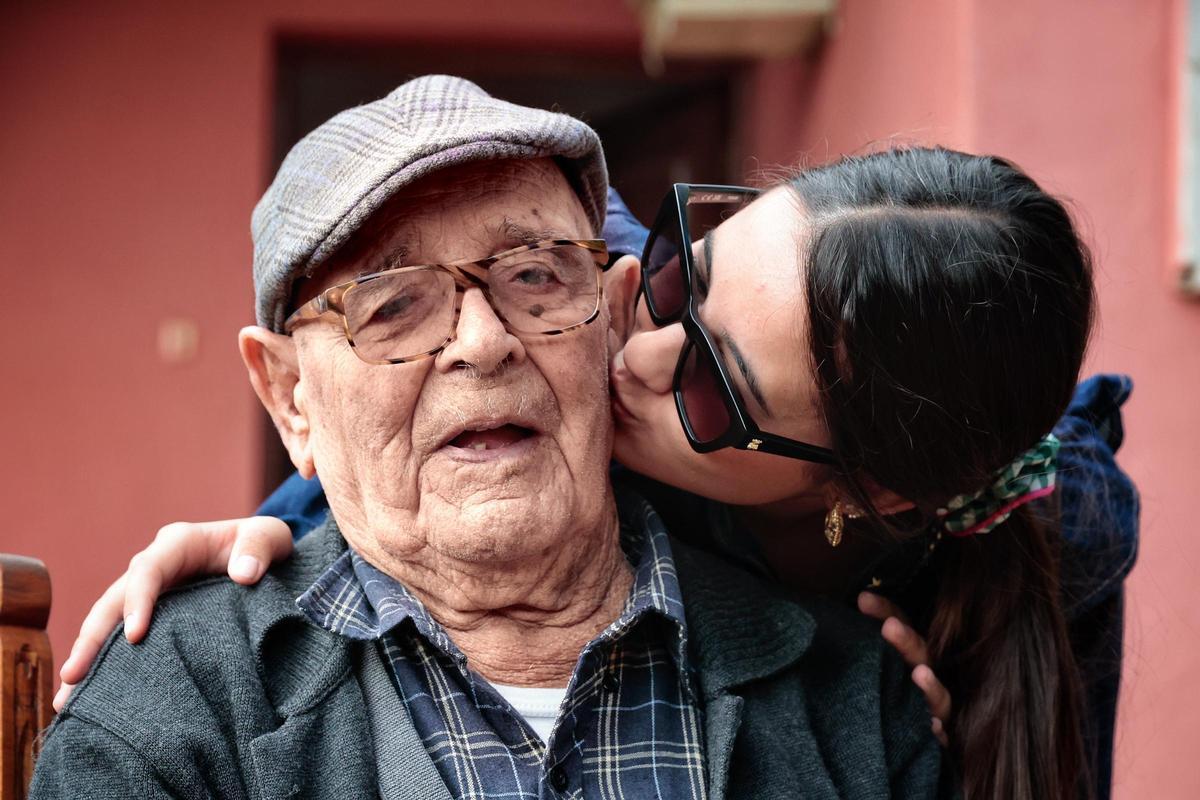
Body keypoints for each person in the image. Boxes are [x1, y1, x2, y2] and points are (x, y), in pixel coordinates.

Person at [32, 75, 943, 799]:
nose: (481, 341)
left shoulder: (856, 697)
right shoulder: (174, 710)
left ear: (615, 320)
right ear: (291, 399)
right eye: (390, 305)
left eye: (536, 275)